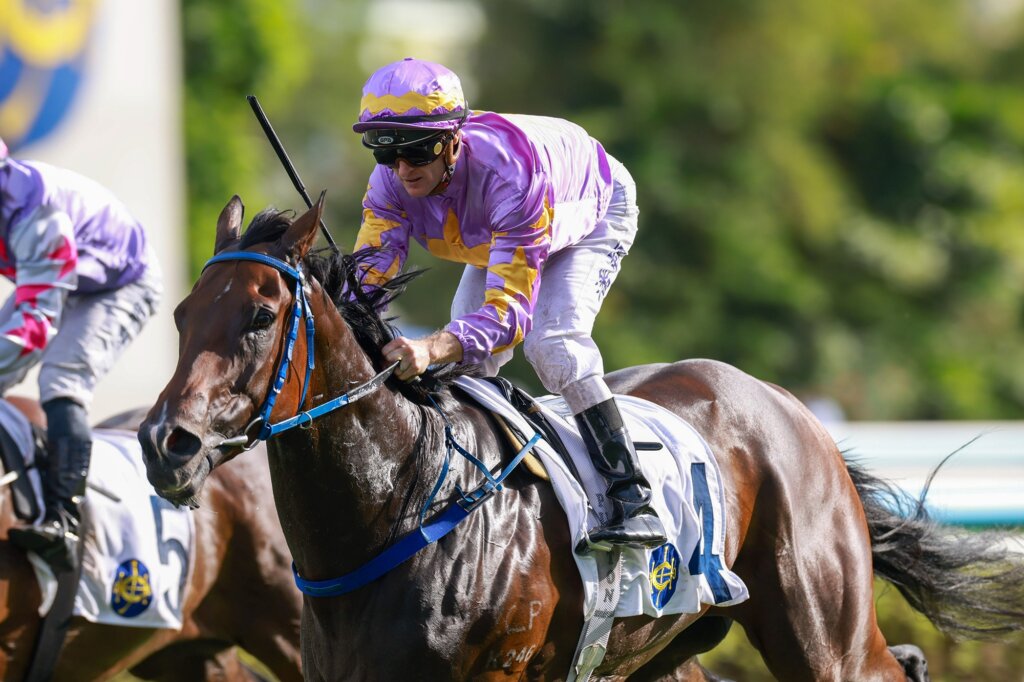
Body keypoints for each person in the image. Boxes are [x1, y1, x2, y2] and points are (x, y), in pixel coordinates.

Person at [351, 58, 666, 551]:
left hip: (587, 208)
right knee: (467, 365)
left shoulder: (508, 176)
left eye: (415, 151)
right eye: (386, 152)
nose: (403, 169)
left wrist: (430, 347)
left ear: (452, 139)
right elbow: (367, 281)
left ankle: (633, 497)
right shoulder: (389, 183)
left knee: (552, 343)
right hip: (503, 232)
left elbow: (509, 315)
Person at [0, 137, 162, 572]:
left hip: (121, 282)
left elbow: (34, 329)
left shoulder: (37, 217)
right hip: (66, 271)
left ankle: (64, 521)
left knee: (60, 377)